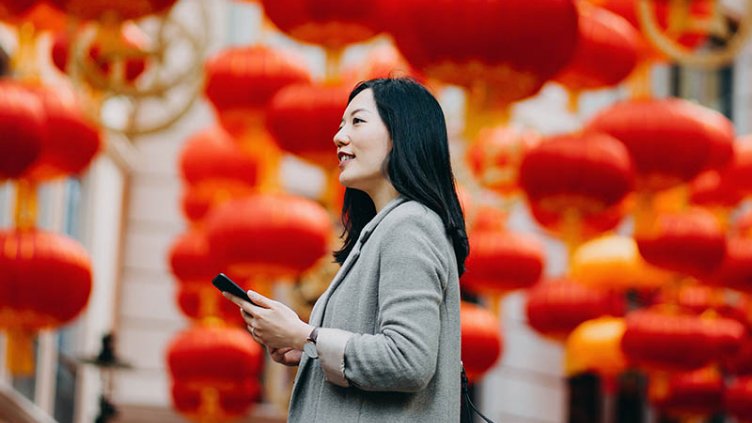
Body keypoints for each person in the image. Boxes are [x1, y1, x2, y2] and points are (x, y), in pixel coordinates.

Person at [224, 77, 469, 422]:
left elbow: (409, 360)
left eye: (357, 121)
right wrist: (308, 347)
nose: (339, 136)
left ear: (403, 133)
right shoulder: (387, 228)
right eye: (341, 124)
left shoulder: (409, 224)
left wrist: (304, 334)